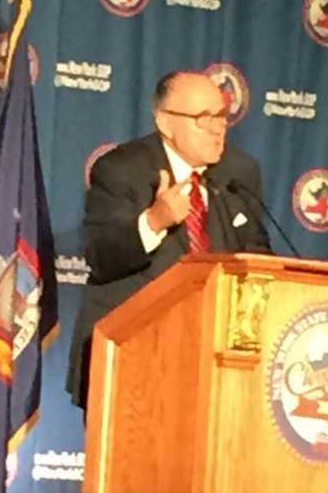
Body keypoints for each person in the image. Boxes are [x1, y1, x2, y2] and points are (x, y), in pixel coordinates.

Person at [66, 70, 271, 411]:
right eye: (203, 118)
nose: (217, 127)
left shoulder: (239, 171)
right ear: (165, 122)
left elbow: (257, 255)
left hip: (214, 363)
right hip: (134, 358)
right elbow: (101, 256)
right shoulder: (121, 169)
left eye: (221, 115)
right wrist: (154, 220)